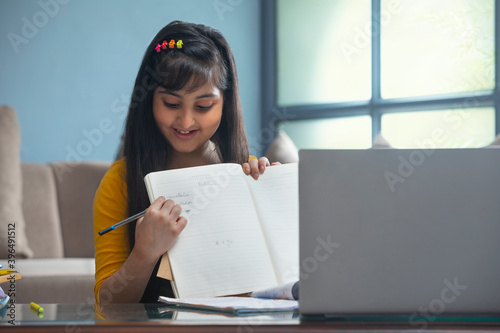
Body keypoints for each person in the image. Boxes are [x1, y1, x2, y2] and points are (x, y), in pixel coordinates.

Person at [93, 21, 277, 304]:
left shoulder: (247, 173)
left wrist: (277, 205)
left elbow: (279, 287)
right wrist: (144, 253)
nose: (186, 121)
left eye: (203, 107)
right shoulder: (121, 181)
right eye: (171, 104)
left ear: (225, 103)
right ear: (149, 100)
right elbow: (107, 304)